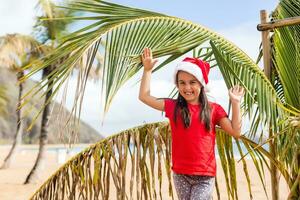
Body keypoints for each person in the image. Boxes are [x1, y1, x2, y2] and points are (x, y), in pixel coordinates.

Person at [139, 47, 245, 200]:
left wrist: (235, 103)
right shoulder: (173, 107)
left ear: (201, 84)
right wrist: (147, 70)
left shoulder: (214, 109)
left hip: (205, 176)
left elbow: (236, 131)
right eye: (182, 83)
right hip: (180, 174)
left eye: (192, 82)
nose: (187, 88)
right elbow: (144, 96)